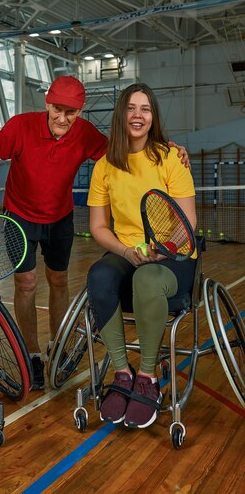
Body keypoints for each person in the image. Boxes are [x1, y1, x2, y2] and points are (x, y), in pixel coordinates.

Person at [0, 75, 191, 390]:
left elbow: (127, 151)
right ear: (47, 103)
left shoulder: (84, 134)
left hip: (60, 219)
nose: (63, 118)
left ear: (80, 112)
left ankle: (58, 344)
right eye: (57, 109)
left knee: (58, 281)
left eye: (71, 112)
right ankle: (32, 354)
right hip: (19, 218)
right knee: (26, 285)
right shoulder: (20, 126)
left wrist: (172, 149)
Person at [86, 82, 197, 429]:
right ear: (121, 114)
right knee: (99, 276)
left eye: (145, 109)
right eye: (131, 108)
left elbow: (188, 221)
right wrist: (126, 251)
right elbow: (99, 226)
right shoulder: (104, 166)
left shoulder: (170, 157)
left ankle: (147, 377)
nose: (138, 115)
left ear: (153, 116)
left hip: (174, 255)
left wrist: (161, 249)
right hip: (127, 251)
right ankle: (122, 373)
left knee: (149, 279)